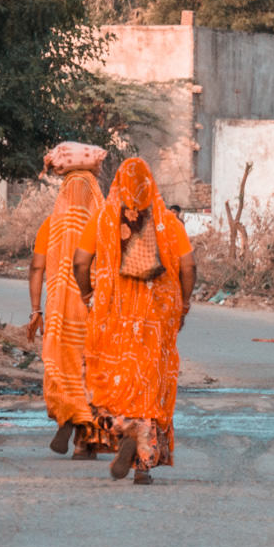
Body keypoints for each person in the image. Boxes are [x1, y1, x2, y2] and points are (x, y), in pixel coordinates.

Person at [73, 158, 195, 485]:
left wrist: (87, 295)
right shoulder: (168, 223)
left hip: (112, 319)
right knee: (151, 385)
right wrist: (182, 306)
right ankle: (143, 463)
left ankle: (125, 427)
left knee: (107, 380)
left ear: (117, 183)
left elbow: (80, 262)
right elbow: (188, 267)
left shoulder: (102, 218)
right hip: (156, 320)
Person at [28, 142, 110, 459]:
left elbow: (36, 267)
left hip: (60, 308)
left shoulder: (52, 225)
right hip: (91, 304)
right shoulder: (104, 223)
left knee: (63, 364)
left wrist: (36, 309)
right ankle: (84, 438)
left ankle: (67, 417)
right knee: (90, 366)